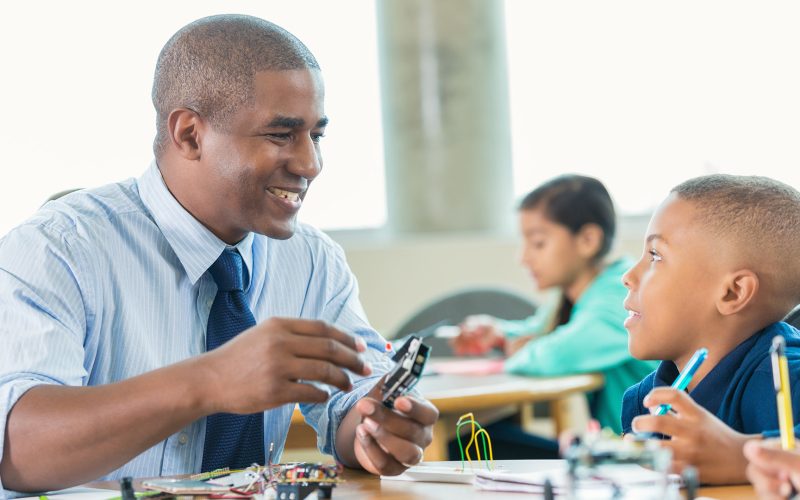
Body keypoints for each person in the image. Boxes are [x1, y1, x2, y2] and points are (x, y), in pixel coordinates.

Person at [0, 14, 437, 496]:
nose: (310, 164)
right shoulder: (57, 247)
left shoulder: (313, 261)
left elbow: (351, 403)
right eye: (280, 135)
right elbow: (17, 451)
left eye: (316, 135)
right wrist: (208, 381)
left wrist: (375, 429)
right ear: (189, 134)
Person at [621, 174, 800, 485]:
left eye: (655, 256)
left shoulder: (786, 375)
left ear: (732, 292)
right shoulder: (645, 401)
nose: (628, 276)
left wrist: (741, 456)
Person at [451, 174, 656, 438]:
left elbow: (557, 353)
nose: (523, 257)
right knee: (479, 437)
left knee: (470, 441)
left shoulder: (619, 295)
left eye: (538, 243)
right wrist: (500, 335)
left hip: (647, 454)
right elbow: (535, 333)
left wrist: (519, 352)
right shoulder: (570, 298)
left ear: (587, 240)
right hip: (623, 445)